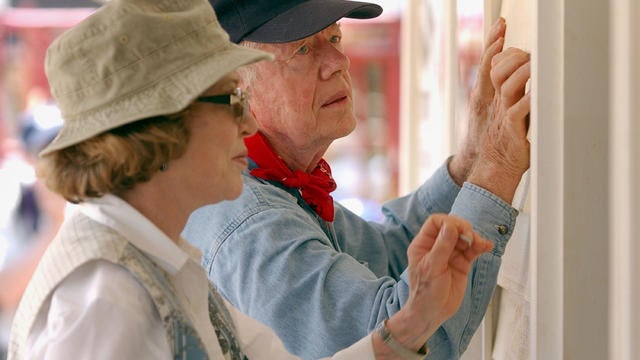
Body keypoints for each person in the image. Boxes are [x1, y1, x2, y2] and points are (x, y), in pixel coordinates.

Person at [6, 0, 495, 359]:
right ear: (163, 132)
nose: (245, 125)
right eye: (229, 101)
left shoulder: (161, 260)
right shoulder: (106, 302)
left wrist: (408, 325)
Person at [183, 0, 531, 359]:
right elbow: (402, 338)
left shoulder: (277, 186)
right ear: (237, 85)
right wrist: (497, 167)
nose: (339, 62)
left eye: (334, 37)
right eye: (302, 49)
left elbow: (392, 255)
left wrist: (472, 159)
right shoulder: (251, 229)